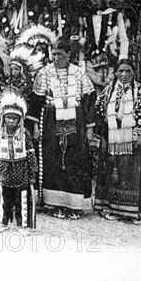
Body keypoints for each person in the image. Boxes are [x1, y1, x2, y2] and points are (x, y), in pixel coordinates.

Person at [28, 40, 95, 219]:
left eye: (61, 55)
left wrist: (89, 128)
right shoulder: (44, 73)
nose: (57, 58)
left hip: (75, 120)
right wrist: (35, 126)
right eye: (54, 54)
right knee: (53, 159)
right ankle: (54, 204)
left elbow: (88, 101)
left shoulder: (79, 73)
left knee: (74, 159)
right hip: (51, 120)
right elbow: (36, 102)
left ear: (68, 56)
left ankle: (74, 205)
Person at [93, 60, 141, 224]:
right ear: (115, 73)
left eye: (128, 71)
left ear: (134, 73)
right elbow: (99, 116)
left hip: (135, 143)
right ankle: (115, 208)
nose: (124, 75)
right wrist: (101, 138)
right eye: (120, 71)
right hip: (113, 141)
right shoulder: (107, 93)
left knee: (134, 175)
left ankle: (137, 212)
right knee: (114, 174)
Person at [0, 87, 38, 234]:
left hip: (21, 170)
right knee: (4, 198)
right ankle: (3, 223)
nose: (11, 121)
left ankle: (23, 225)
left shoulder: (24, 134)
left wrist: (32, 171)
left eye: (14, 118)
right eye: (8, 118)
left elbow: (30, 153)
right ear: (4, 118)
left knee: (22, 199)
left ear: (20, 119)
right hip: (4, 169)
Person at [77, 0, 129, 95]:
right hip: (91, 61)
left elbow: (123, 39)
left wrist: (122, 58)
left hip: (110, 59)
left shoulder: (114, 15)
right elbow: (81, 41)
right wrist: (81, 64)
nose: (95, 0)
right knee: (95, 95)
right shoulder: (85, 17)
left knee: (113, 92)